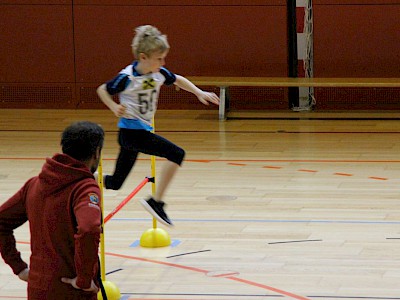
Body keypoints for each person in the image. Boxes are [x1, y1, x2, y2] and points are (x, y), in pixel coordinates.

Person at [96, 25, 219, 227]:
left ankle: (88, 177)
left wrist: (199, 92)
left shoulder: (158, 73)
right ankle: (156, 202)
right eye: (159, 59)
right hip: (131, 133)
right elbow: (102, 89)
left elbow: (177, 79)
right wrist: (113, 106)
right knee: (177, 154)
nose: (163, 63)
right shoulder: (127, 78)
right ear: (143, 57)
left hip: (137, 133)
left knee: (115, 183)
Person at [0, 121, 105, 300]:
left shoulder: (34, 184)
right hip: (72, 292)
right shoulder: (84, 188)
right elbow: (89, 229)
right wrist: (85, 280)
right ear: (96, 152)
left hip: (37, 289)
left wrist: (19, 267)